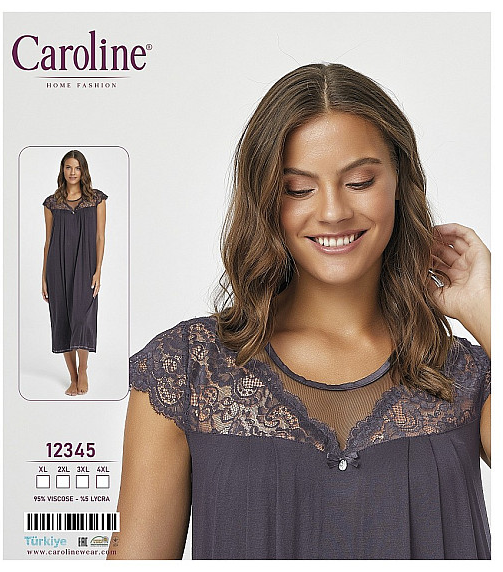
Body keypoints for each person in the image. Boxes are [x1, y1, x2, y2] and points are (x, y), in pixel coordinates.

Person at [110, 64, 490, 559]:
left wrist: (490, 316)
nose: (333, 212)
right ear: (266, 198)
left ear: (400, 181)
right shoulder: (185, 370)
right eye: (298, 189)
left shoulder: (466, 374)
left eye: (359, 181)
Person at [42, 150, 107, 396]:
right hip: (57, 268)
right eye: (68, 167)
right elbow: (48, 242)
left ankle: (83, 370)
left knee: (82, 318)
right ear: (63, 170)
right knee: (62, 321)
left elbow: (100, 237)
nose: (72, 172)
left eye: (77, 168)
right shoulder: (52, 203)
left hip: (85, 266)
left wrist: (98, 270)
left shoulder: (96, 200)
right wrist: (44, 277)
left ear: (83, 171)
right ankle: (72, 376)